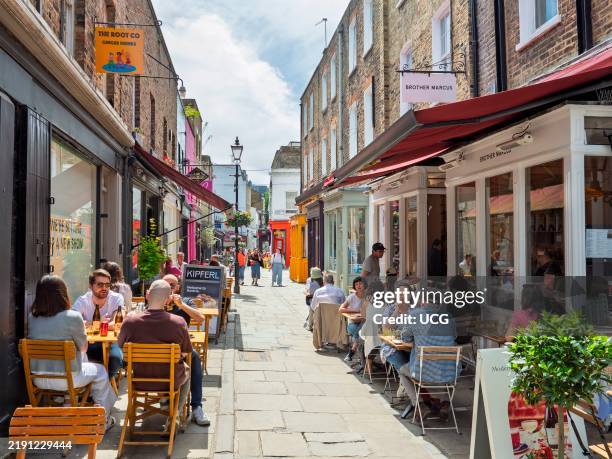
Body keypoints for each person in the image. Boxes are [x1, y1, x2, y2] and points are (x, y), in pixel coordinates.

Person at [28, 275, 117, 430]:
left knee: (77, 360)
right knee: (101, 371)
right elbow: (83, 348)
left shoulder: (32, 318)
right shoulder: (72, 317)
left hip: (38, 379)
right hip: (69, 379)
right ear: (63, 294)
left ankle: (69, 403)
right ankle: (103, 420)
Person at [117, 280, 192, 429]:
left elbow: (119, 348)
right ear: (168, 299)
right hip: (169, 381)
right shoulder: (179, 322)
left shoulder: (130, 321)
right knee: (187, 369)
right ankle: (174, 413)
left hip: (139, 381)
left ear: (147, 295)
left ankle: (166, 407)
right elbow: (184, 352)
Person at [396, 288, 460, 420]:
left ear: (424, 300)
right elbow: (454, 336)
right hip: (448, 372)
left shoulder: (416, 315)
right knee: (449, 368)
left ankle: (419, 405)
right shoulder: (448, 317)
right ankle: (445, 403)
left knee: (402, 370)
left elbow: (405, 337)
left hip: (423, 371)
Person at [162, 275, 210, 426]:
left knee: (194, 357)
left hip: (179, 350)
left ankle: (196, 407)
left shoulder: (186, 301)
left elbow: (201, 319)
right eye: (166, 284)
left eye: (173, 285)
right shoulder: (155, 300)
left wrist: (181, 305)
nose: (170, 287)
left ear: (178, 287)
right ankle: (165, 397)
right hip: (159, 349)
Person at [73, 269, 124, 379]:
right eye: (100, 284)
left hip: (111, 343)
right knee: (83, 358)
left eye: (107, 285)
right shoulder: (83, 300)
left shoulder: (116, 298)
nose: (104, 288)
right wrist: (100, 321)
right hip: (89, 342)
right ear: (91, 286)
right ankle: (95, 388)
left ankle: (100, 386)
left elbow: (116, 323)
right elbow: (74, 322)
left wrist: (88, 323)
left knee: (115, 360)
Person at [339, 277, 366, 362]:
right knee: (359, 331)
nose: (358, 286)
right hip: (352, 324)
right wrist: (355, 310)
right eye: (356, 284)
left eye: (360, 284)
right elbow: (341, 309)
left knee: (362, 328)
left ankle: (353, 351)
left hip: (364, 323)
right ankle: (361, 356)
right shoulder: (351, 297)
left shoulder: (368, 297)